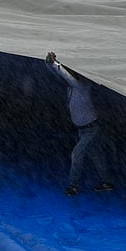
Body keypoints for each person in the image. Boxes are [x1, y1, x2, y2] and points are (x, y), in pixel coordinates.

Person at [45, 52, 112, 196]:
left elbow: (64, 75)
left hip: (91, 128)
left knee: (77, 154)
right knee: (95, 155)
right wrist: (49, 64)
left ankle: (73, 186)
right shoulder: (72, 88)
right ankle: (106, 181)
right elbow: (60, 75)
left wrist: (54, 64)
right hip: (83, 128)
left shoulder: (82, 86)